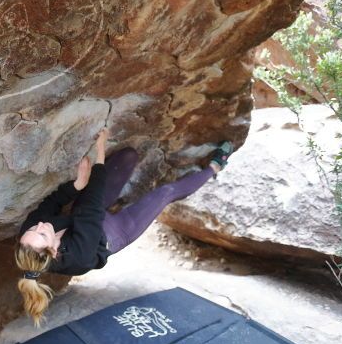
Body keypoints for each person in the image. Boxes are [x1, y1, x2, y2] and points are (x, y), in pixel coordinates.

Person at [14, 127, 234, 326]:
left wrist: (76, 185)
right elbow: (91, 206)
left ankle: (124, 168)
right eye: (41, 233)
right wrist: (100, 150)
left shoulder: (29, 236)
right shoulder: (78, 256)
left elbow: (50, 204)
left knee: (128, 156)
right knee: (165, 193)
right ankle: (215, 167)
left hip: (82, 218)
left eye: (34, 229)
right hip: (112, 233)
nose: (40, 226)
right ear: (53, 250)